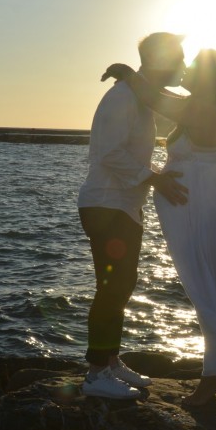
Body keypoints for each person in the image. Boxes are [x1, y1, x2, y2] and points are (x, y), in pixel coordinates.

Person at [103, 49, 216, 406]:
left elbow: (154, 98)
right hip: (210, 208)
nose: (185, 68)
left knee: (210, 294)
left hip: (209, 212)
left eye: (193, 65)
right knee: (213, 292)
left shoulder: (203, 108)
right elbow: (162, 97)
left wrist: (128, 73)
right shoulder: (204, 105)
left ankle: (213, 379)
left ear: (207, 78)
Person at [77, 32, 189, 399]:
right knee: (112, 288)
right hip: (106, 204)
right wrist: (154, 178)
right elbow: (109, 152)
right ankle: (96, 374)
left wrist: (150, 178)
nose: (183, 65)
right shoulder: (122, 97)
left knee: (122, 286)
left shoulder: (140, 96)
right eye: (179, 58)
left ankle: (110, 361)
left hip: (123, 205)